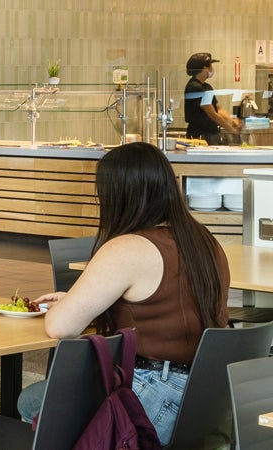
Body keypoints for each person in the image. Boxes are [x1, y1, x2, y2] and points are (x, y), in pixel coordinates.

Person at [15, 142, 230, 445]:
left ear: (117, 196)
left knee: (32, 400)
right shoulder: (205, 241)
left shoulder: (128, 247)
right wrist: (78, 300)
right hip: (205, 398)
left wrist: (71, 307)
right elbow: (168, 301)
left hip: (151, 397)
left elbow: (59, 327)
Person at [183, 52, 240, 145]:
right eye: (210, 66)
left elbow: (218, 109)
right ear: (204, 68)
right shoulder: (195, 87)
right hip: (200, 135)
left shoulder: (207, 87)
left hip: (211, 134)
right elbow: (212, 114)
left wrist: (231, 121)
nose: (212, 69)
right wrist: (231, 130)